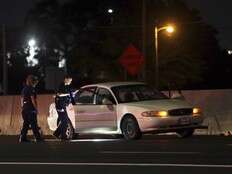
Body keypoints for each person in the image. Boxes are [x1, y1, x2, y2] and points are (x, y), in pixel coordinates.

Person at [19, 75, 43, 143]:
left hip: (24, 109)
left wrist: (23, 107)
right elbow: (32, 99)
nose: (36, 84)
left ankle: (23, 138)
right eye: (35, 83)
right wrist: (36, 108)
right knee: (34, 124)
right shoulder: (31, 89)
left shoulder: (24, 89)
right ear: (33, 82)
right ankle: (38, 138)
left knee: (26, 124)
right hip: (30, 109)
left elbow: (21, 99)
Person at [53, 75, 76, 140]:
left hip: (63, 105)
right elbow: (58, 94)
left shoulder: (67, 86)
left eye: (71, 81)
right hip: (60, 105)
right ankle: (63, 136)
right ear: (66, 79)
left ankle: (56, 134)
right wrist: (68, 94)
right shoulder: (61, 86)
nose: (70, 82)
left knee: (64, 120)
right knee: (64, 121)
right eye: (69, 80)